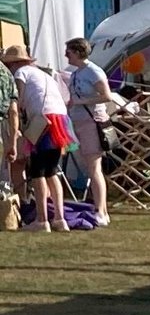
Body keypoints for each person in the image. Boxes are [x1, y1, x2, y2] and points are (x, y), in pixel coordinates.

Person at [2, 45, 73, 232]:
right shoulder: (43, 74)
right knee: (52, 171)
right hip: (59, 120)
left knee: (38, 172)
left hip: (42, 122)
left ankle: (42, 220)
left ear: (15, 64)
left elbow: (17, 101)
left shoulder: (20, 75)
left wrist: (17, 127)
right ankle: (60, 218)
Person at [64, 37, 113, 227]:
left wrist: (79, 102)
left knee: (94, 168)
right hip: (78, 121)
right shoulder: (76, 73)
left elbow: (106, 96)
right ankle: (101, 210)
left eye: (68, 52)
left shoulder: (93, 71)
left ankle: (101, 211)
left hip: (91, 122)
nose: (66, 55)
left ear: (77, 52)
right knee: (88, 167)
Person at [1, 59, 22, 201]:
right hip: (2, 126)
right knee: (2, 177)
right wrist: (13, 142)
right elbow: (14, 111)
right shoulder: (7, 74)